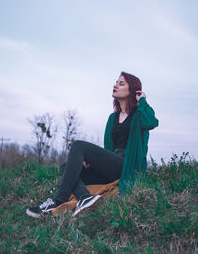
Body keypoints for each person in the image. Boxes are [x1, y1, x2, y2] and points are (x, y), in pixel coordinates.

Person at [26, 71, 159, 218]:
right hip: (112, 165)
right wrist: (94, 162)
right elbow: (109, 149)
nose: (115, 85)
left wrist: (142, 101)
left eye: (121, 83)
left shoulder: (139, 115)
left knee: (78, 145)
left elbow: (151, 122)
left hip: (126, 165)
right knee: (65, 167)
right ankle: (85, 198)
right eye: (116, 82)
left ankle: (58, 200)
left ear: (132, 90)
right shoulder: (113, 117)